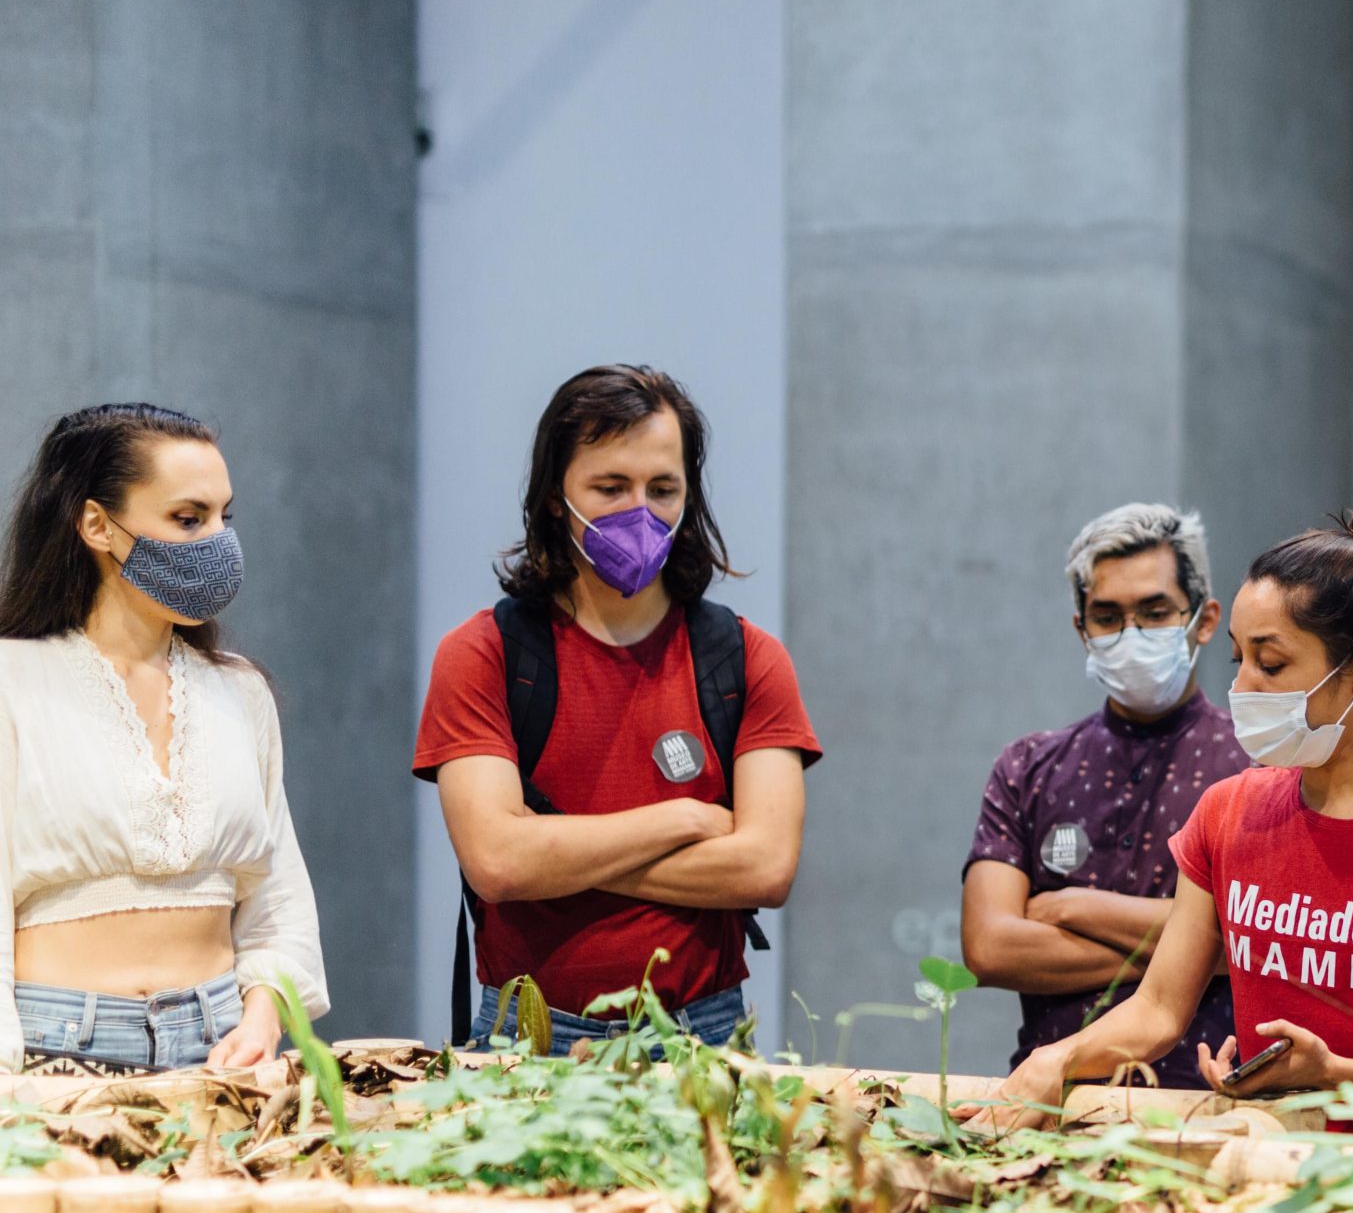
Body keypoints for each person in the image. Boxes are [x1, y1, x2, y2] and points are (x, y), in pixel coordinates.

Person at [985, 506, 1353, 1126]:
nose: (1242, 686)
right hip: (1260, 1178)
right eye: (1237, 658)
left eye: (1270, 664)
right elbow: (1159, 1009)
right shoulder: (1226, 810)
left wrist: (1339, 1076)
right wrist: (1054, 1060)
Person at [414, 365, 821, 1052]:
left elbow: (764, 868)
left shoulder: (747, 658)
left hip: (703, 1035)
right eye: (610, 487)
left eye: (663, 489)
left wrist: (559, 856)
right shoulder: (484, 653)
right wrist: (684, 818)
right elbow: (499, 863)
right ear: (554, 496)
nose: (642, 510)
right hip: (530, 1036)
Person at [0, 403, 327, 1075]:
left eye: (223, 517)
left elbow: (275, 902)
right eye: (188, 518)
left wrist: (262, 1021)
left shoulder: (240, 692)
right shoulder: (14, 681)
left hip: (220, 1051)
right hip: (52, 1055)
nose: (217, 540)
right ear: (97, 524)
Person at [961, 504, 1248, 1088]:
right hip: (1045, 1101)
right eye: (1107, 616)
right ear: (1081, 629)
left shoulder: (1257, 771)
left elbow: (1255, 944)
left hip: (1204, 1106)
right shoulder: (1027, 767)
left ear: (1205, 619)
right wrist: (1198, 951)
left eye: (1155, 611)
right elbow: (990, 949)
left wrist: (1075, 908)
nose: (1131, 633)